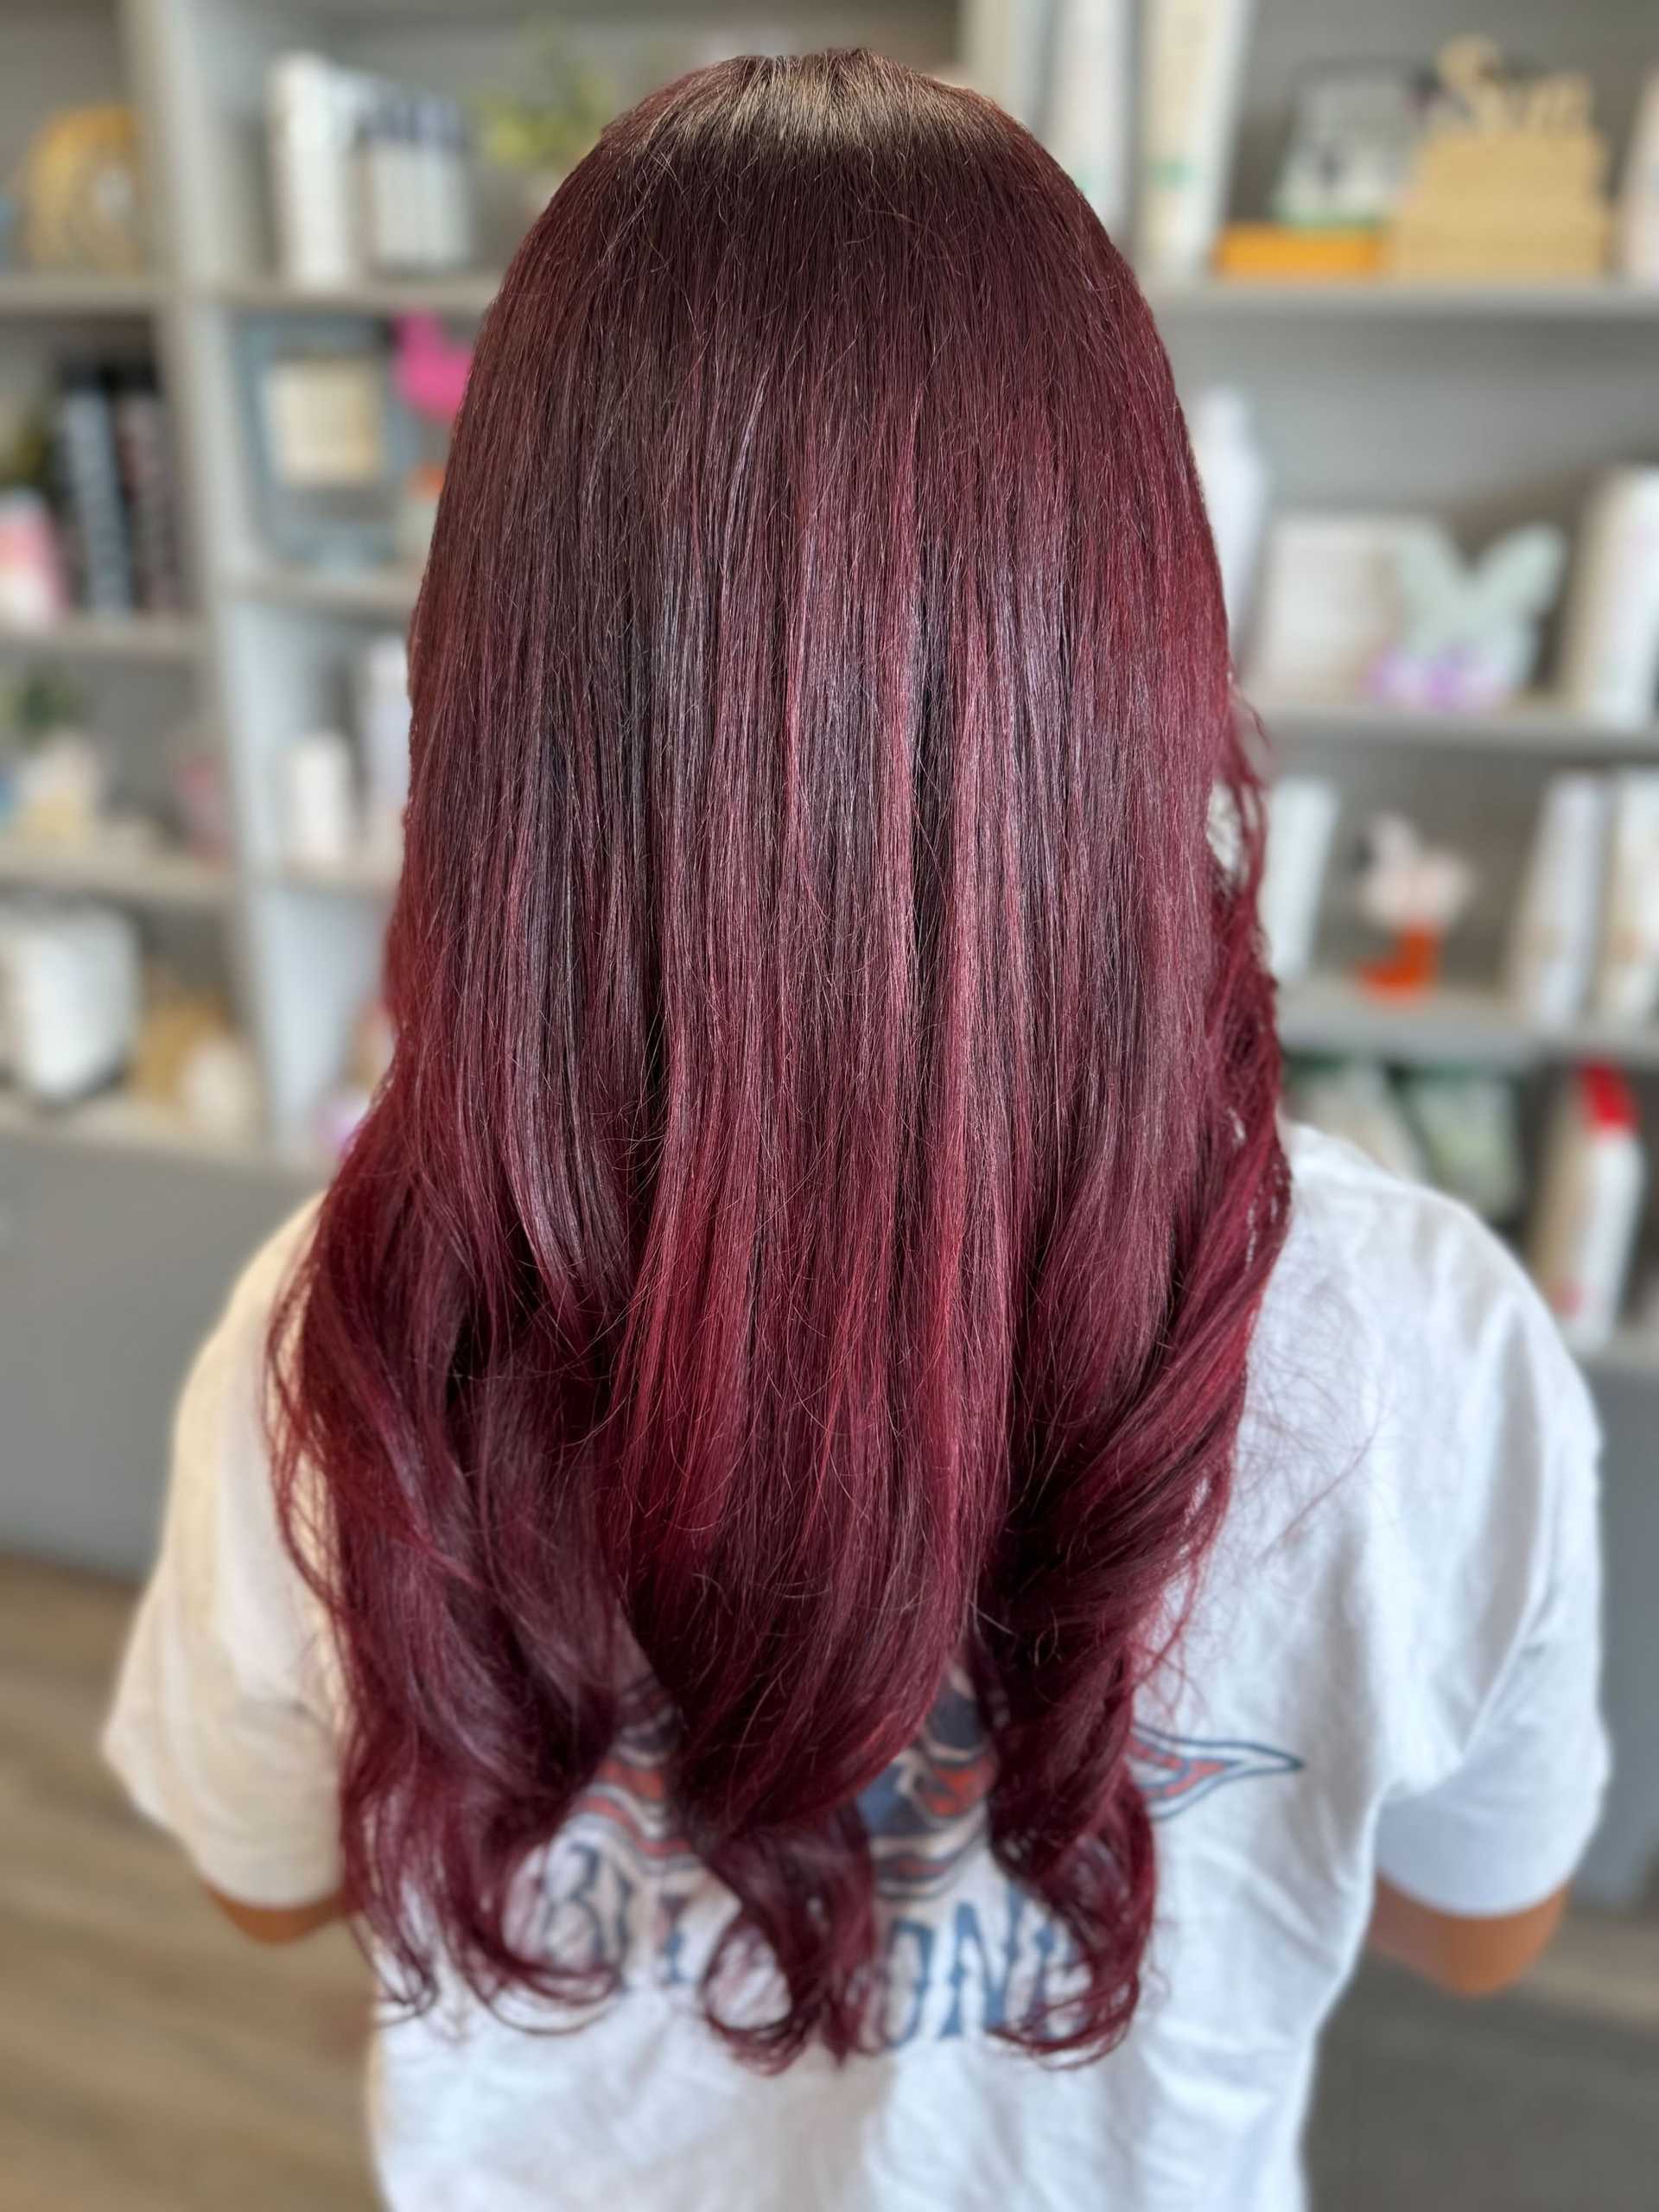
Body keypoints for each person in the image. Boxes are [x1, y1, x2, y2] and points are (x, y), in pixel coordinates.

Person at [104, 50, 1607, 2212]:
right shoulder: (1421, 1348)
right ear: (1129, 655)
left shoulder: (344, 1327)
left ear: (502, 704)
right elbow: (1490, 1921)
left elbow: (267, 1878)